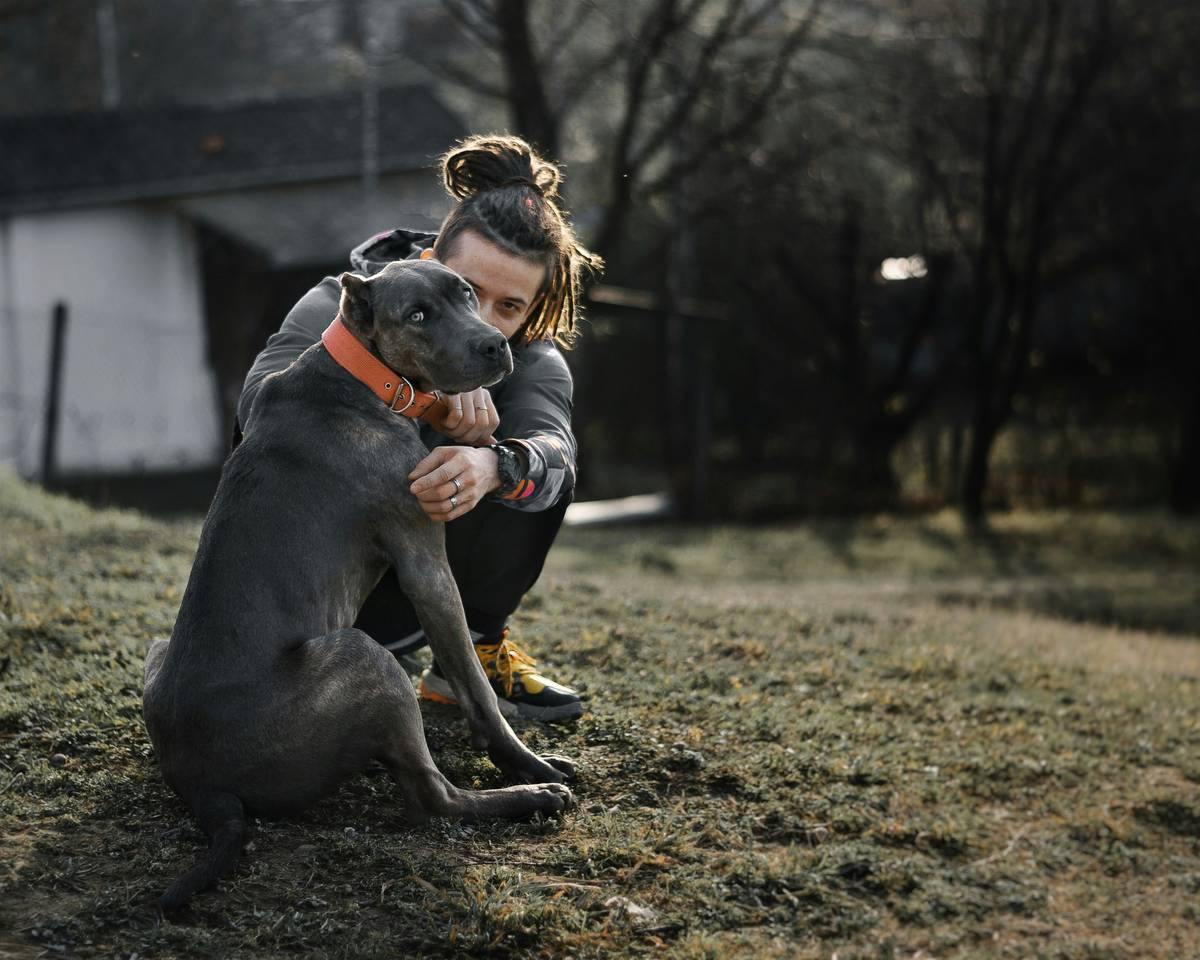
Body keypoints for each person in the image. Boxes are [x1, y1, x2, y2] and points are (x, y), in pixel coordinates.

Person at [233, 135, 601, 723]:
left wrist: (491, 467)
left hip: (416, 597)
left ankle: (472, 656)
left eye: (508, 307)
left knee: (536, 471)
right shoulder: (342, 304)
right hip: (300, 597)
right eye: (466, 290)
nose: (480, 322)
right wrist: (417, 398)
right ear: (431, 262)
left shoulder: (530, 360)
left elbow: (555, 459)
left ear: (530, 311)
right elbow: (255, 413)